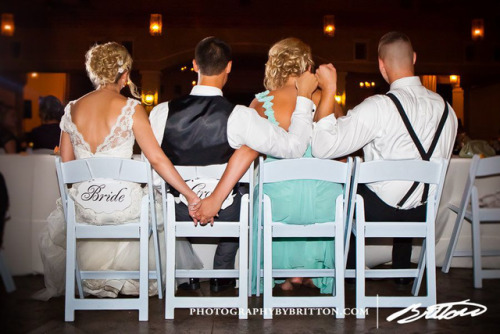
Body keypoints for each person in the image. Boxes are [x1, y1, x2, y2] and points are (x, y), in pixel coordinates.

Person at [34, 42, 203, 300]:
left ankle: (95, 279)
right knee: (156, 208)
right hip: (124, 207)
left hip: (85, 207)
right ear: (123, 74)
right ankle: (132, 279)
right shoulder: (132, 108)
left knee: (84, 204)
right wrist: (190, 194)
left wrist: (82, 200)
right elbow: (156, 159)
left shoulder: (72, 109)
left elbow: (66, 168)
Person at [150, 36, 317, 292]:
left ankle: (189, 273)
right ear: (228, 67)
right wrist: (304, 99)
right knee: (247, 193)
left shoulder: (160, 112)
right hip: (226, 211)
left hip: (178, 209)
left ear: (195, 65)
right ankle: (223, 270)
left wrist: (191, 197)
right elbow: (293, 148)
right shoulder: (241, 117)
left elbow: (153, 168)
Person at [312, 31, 458, 284]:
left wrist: (330, 89)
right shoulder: (448, 110)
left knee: (345, 192)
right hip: (425, 211)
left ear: (381, 65)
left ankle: (349, 271)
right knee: (408, 188)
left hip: (377, 211)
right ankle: (402, 270)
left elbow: (322, 148)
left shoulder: (378, 107)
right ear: (413, 58)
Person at [248, 38, 343, 293]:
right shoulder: (328, 99)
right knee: (320, 189)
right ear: (307, 65)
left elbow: (246, 155)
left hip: (278, 206)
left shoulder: (260, 104)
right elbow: (344, 157)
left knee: (269, 192)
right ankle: (310, 271)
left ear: (274, 65)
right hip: (326, 206)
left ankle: (286, 273)